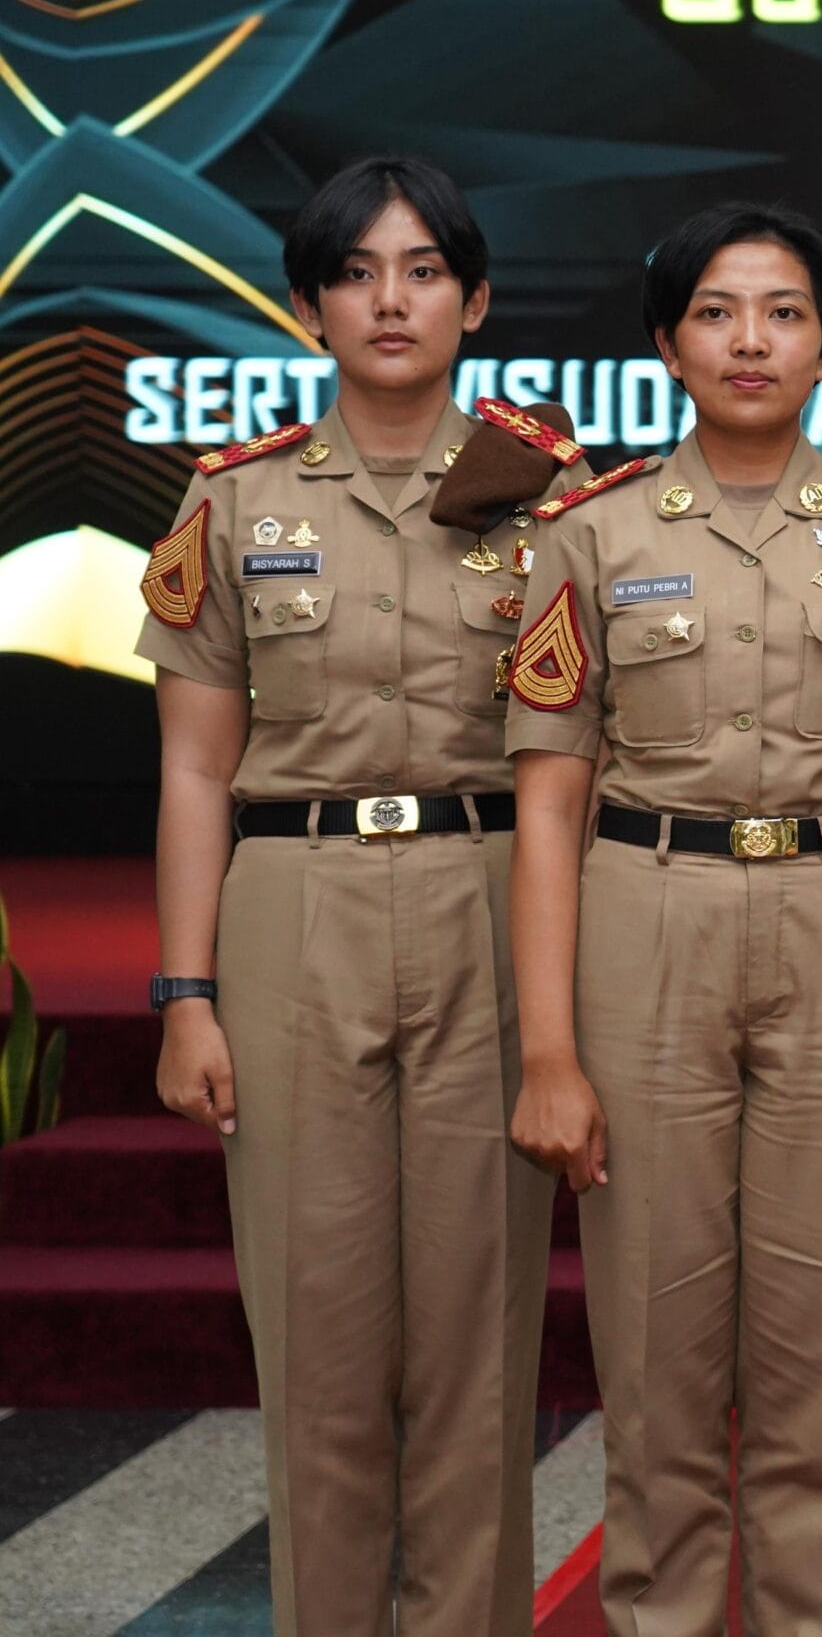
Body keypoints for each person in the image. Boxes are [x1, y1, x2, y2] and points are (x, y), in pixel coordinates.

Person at [501, 201, 822, 1635]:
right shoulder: (588, 531)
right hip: (647, 917)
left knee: (816, 1366)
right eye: (716, 311)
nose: (750, 340)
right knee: (655, 1359)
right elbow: (547, 803)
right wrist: (547, 1052)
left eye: (784, 312)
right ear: (667, 343)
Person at [140, 156, 576, 1637]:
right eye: (356, 272)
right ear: (308, 305)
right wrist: (186, 994)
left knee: (475, 1347)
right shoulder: (234, 498)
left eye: (424, 271)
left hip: (490, 900)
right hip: (295, 904)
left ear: (477, 301)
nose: (392, 300)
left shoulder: (560, 502)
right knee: (315, 1343)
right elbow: (194, 768)